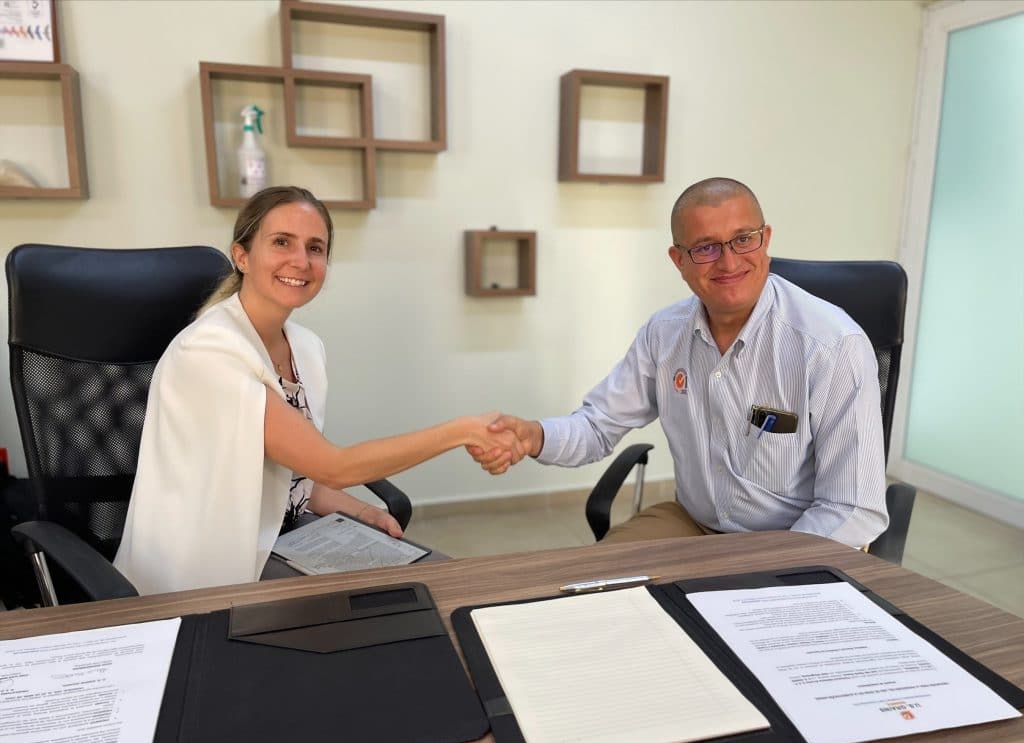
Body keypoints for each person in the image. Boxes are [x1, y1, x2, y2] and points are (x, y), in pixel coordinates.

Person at [115, 186, 522, 595]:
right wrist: (463, 431)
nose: (301, 261)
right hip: (206, 573)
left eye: (316, 247)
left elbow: (298, 479)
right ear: (242, 256)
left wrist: (362, 511)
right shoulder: (208, 352)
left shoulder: (306, 348)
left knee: (437, 580)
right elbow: (333, 466)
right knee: (403, 606)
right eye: (281, 243)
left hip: (281, 540)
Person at [471, 177, 887, 548]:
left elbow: (850, 506)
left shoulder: (831, 345)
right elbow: (597, 427)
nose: (728, 262)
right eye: (706, 247)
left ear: (766, 239)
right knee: (597, 591)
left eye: (744, 239)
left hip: (796, 533)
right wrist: (532, 436)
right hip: (695, 523)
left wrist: (765, 572)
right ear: (678, 260)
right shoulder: (664, 334)